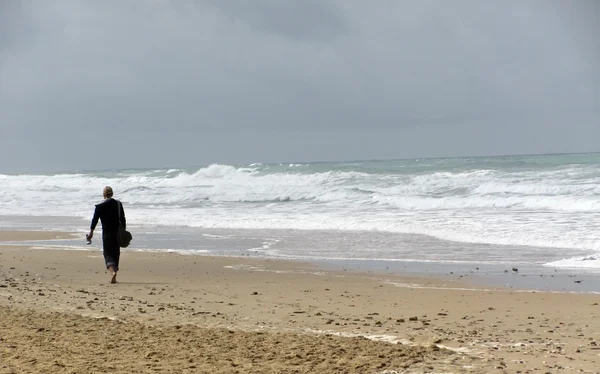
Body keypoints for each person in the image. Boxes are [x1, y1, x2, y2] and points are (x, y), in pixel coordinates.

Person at [87, 186, 126, 284]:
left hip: (107, 234)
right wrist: (124, 231)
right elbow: (123, 218)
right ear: (112, 194)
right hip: (117, 232)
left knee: (108, 254)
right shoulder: (118, 204)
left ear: (104, 195)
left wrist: (91, 232)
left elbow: (94, 220)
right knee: (116, 253)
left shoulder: (100, 206)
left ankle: (112, 272)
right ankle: (115, 275)